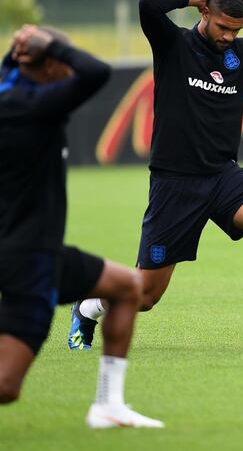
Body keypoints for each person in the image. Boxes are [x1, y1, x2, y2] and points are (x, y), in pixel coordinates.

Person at [68, 0, 243, 352]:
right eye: (222, 27)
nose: (229, 37)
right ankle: (89, 307)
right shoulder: (173, 44)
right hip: (175, 182)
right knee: (147, 295)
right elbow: (147, 5)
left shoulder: (241, 53)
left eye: (236, 30)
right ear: (204, 14)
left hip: (222, 175)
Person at [0, 25, 163, 428]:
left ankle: (108, 404)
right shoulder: (37, 105)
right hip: (28, 257)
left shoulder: (9, 92)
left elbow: (23, 69)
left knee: (127, 286)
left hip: (35, 251)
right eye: (62, 61)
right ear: (52, 65)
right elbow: (95, 73)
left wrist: (22, 48)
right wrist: (52, 45)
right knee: (6, 386)